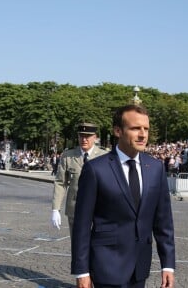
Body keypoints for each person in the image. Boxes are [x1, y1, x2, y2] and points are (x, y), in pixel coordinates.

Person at [71, 105, 175, 288]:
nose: (143, 134)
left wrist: (168, 265)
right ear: (118, 131)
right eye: (135, 128)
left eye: (146, 129)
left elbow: (163, 221)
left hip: (140, 268)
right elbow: (81, 224)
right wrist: (82, 270)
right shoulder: (96, 169)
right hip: (106, 266)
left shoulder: (156, 168)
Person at [51, 122, 107, 237]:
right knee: (77, 248)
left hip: (98, 211)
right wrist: (55, 209)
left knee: (97, 249)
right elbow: (60, 182)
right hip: (75, 209)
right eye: (81, 136)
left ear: (95, 138)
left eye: (88, 136)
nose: (84, 139)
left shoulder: (104, 156)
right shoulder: (68, 156)